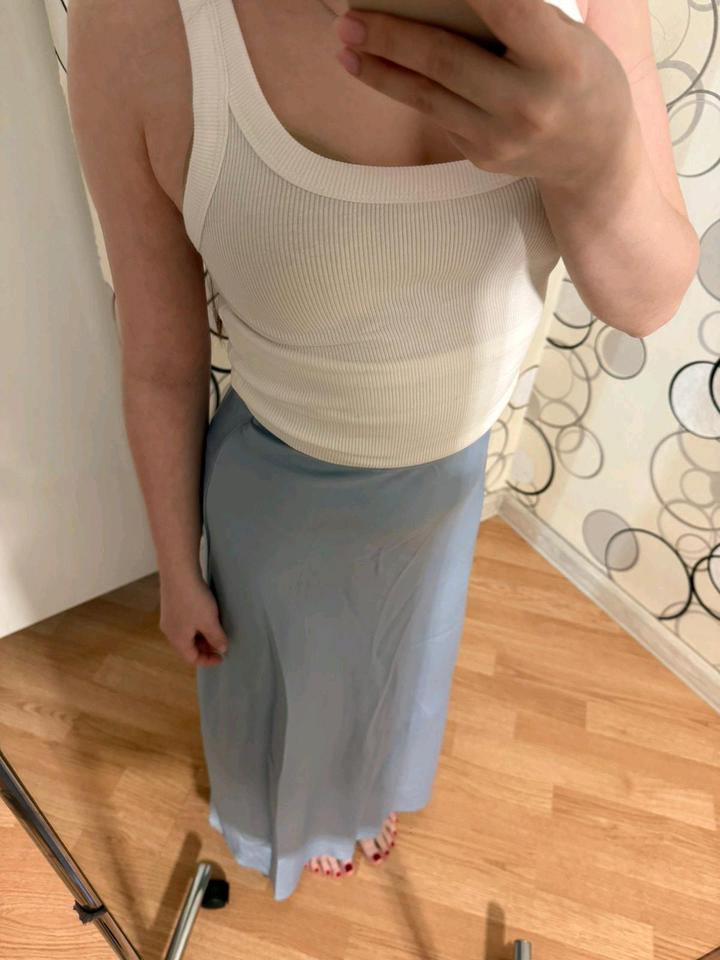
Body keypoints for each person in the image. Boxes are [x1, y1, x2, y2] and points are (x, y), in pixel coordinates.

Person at [66, 0, 696, 901]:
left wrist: (600, 156)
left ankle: (353, 797)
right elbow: (162, 364)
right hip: (279, 504)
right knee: (289, 692)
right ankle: (296, 817)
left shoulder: (595, 7)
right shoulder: (140, 26)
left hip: (445, 492)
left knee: (393, 676)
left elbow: (644, 300)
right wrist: (175, 566)